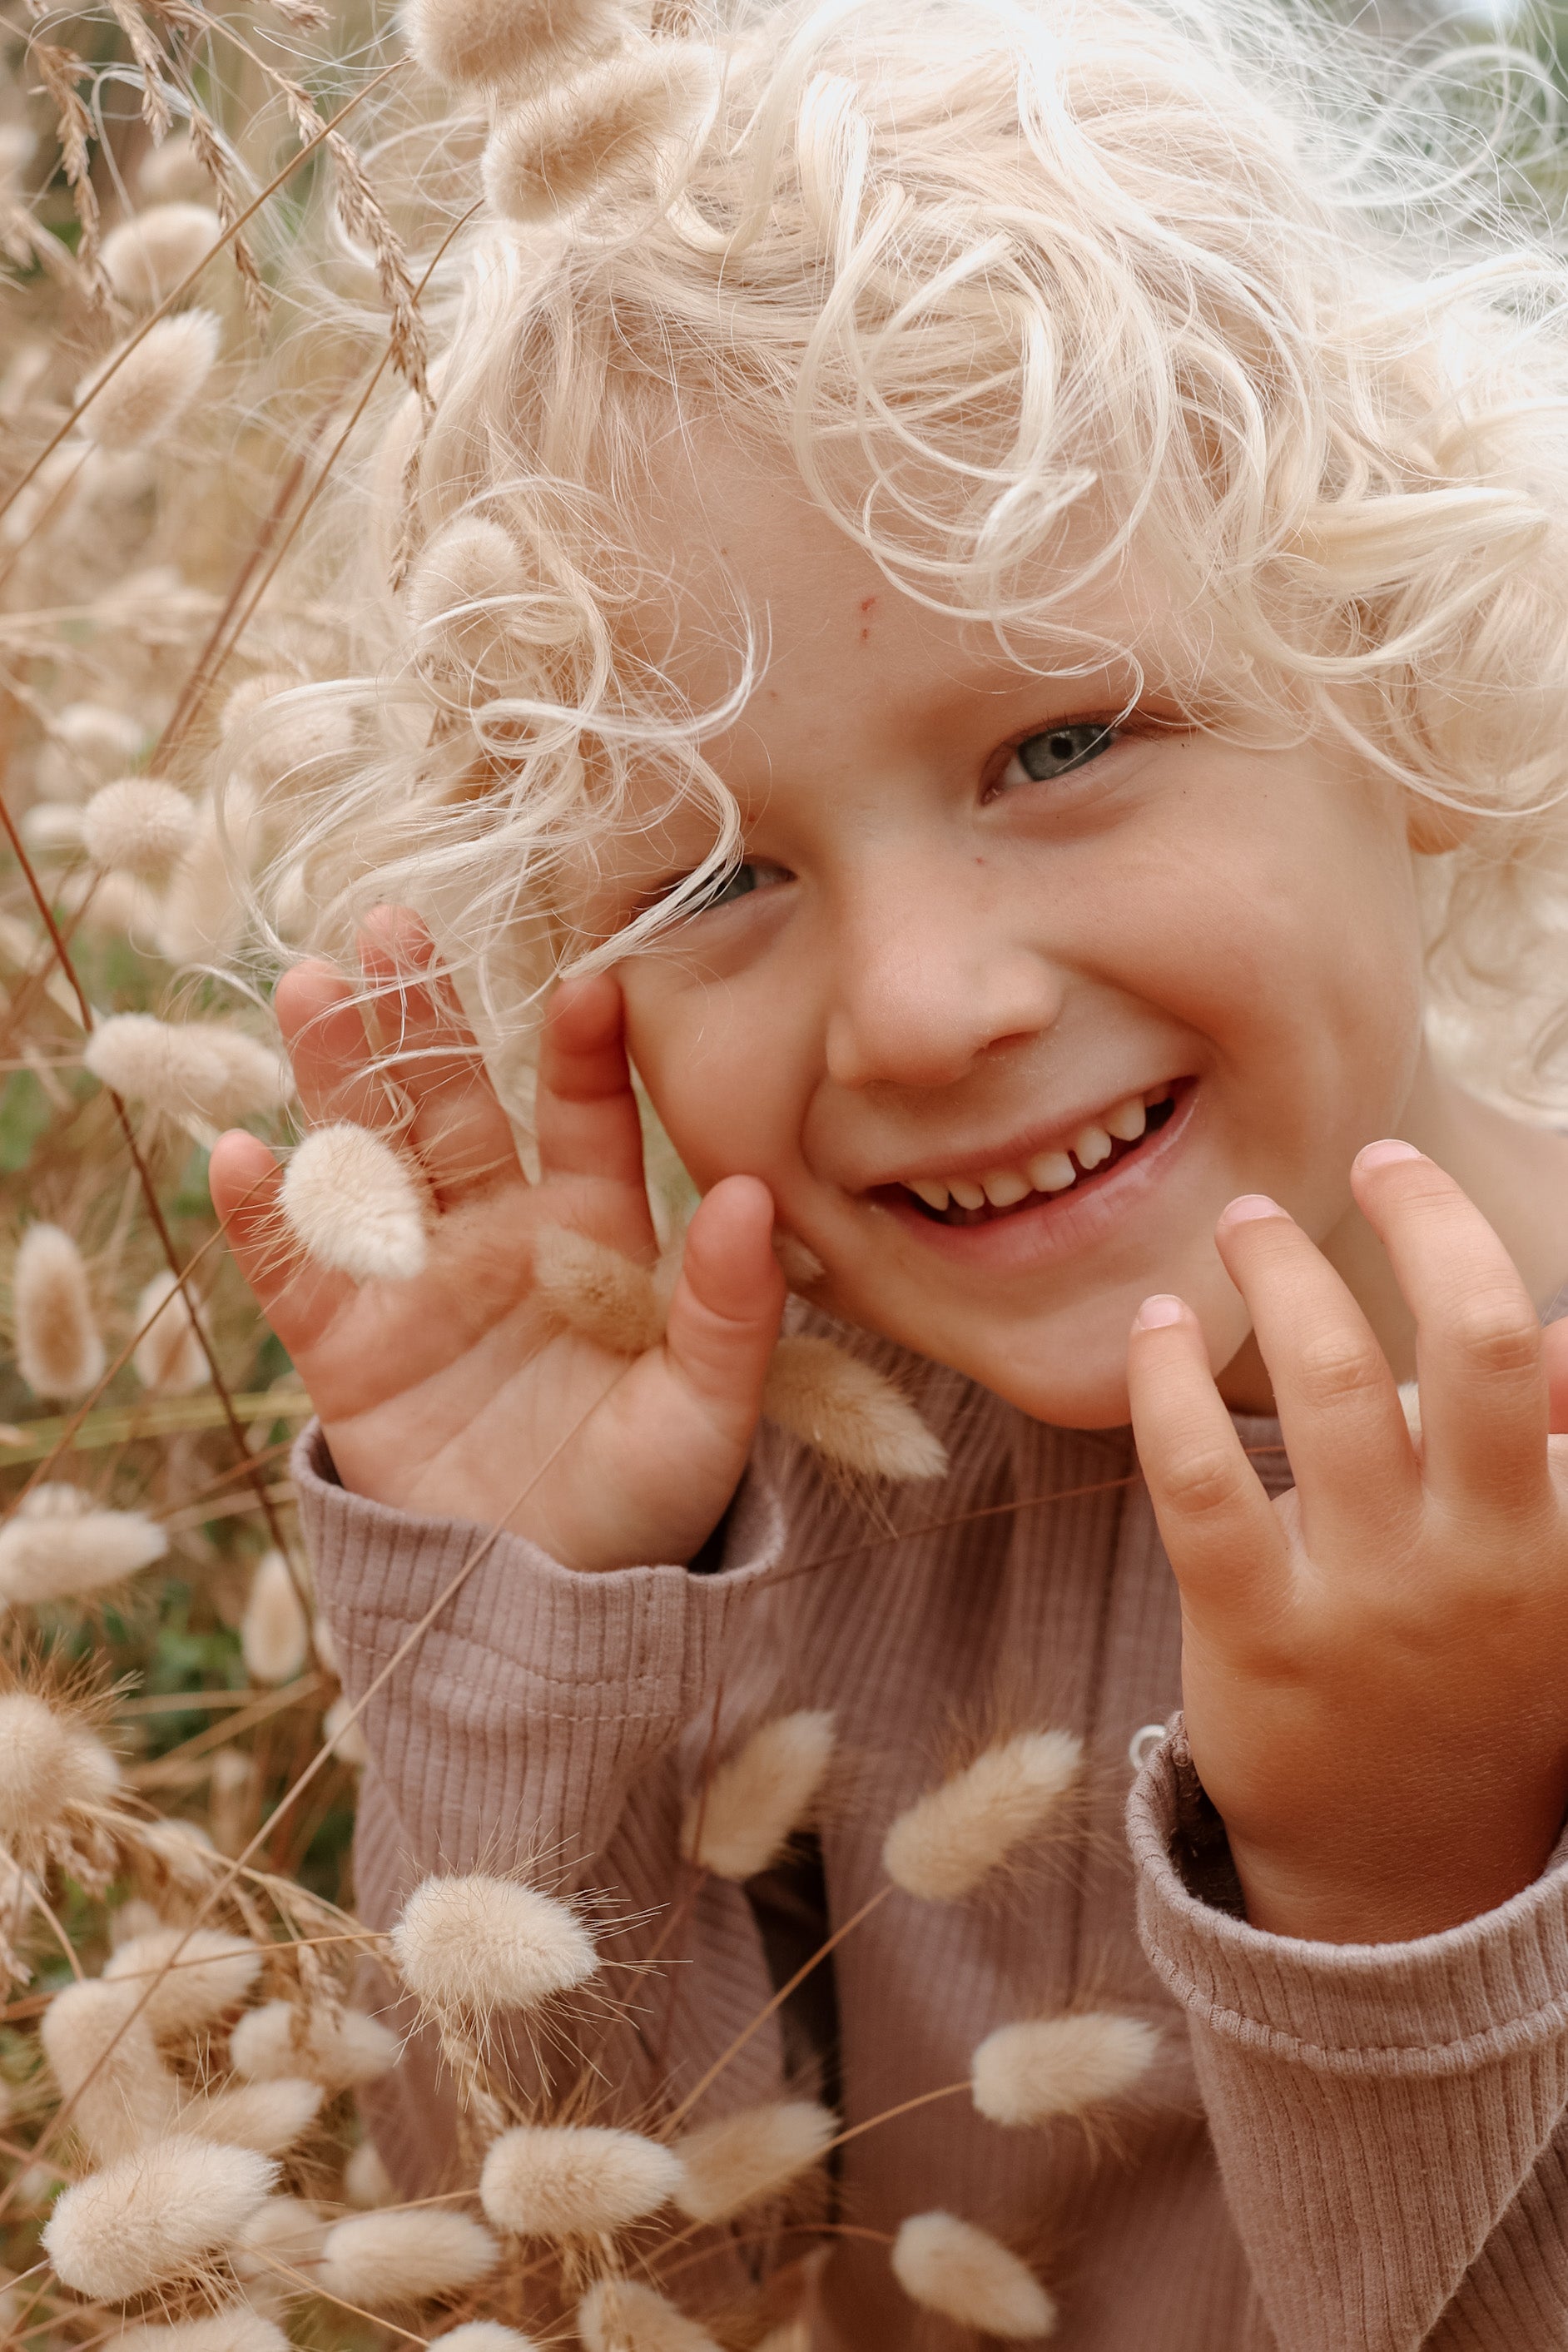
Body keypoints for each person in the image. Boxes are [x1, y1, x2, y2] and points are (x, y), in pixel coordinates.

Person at [211, 0, 1568, 2340]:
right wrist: (526, 1618)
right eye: (715, 876)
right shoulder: (779, 1486)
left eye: (1060, 741)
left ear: (1399, 677)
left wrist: (1400, 1887)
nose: (923, 1002)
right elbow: (584, 2276)